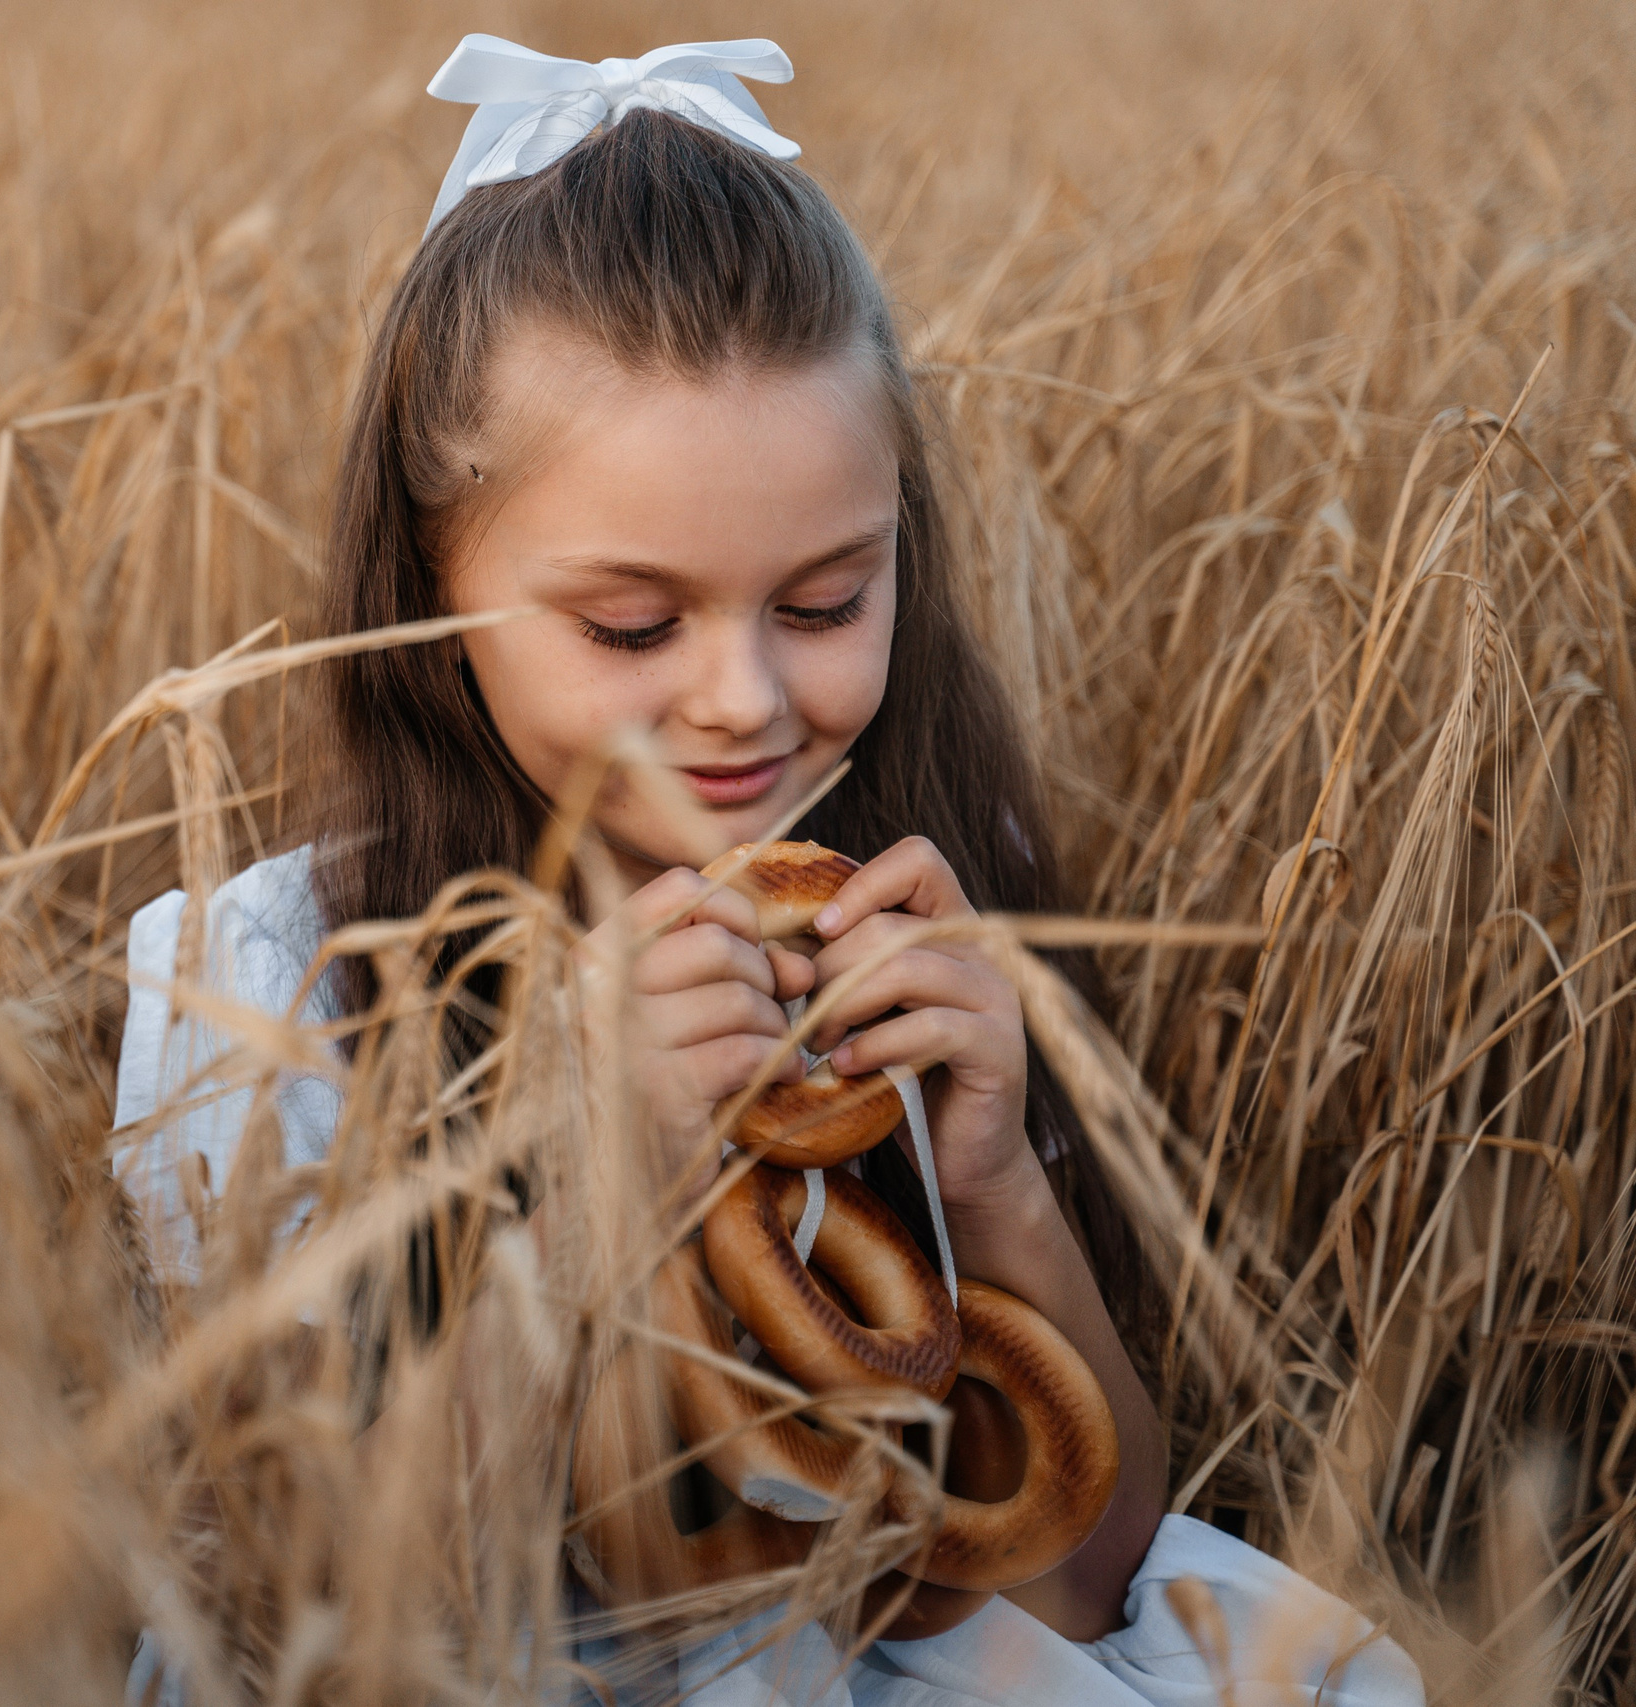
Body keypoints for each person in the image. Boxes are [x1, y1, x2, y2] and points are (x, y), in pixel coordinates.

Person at [113, 34, 1422, 1706]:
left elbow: (1086, 1573)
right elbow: (312, 1629)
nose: (743, 700)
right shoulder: (281, 981)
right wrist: (604, 1188)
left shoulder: (920, 898)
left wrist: (1000, 1174)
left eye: (823, 605)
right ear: (431, 591)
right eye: (633, 626)